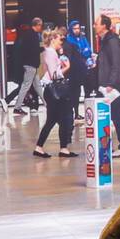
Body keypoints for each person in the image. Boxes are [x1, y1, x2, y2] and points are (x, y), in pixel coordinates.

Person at [33, 29, 76, 158]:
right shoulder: (51, 53)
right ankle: (59, 148)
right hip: (54, 90)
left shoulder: (51, 52)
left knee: (55, 120)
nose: (61, 43)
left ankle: (49, 148)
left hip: (51, 91)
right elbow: (54, 75)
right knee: (61, 119)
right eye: (60, 39)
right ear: (53, 39)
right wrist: (67, 68)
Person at [94, 15, 120, 157]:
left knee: (116, 115)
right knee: (114, 115)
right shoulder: (105, 41)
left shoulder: (111, 41)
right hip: (106, 85)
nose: (94, 25)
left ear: (104, 26)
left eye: (97, 23)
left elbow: (117, 63)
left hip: (112, 86)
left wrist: (111, 83)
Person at [6, 17, 43, 114]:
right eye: (40, 25)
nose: (41, 27)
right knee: (25, 86)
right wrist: (42, 49)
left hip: (30, 65)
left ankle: (48, 105)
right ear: (37, 25)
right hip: (31, 65)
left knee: (37, 86)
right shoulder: (33, 35)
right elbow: (33, 50)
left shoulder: (27, 35)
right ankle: (17, 107)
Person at [64, 19, 95, 119]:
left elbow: (88, 50)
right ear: (71, 29)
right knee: (75, 93)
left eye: (78, 28)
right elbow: (70, 56)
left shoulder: (83, 38)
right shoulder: (68, 41)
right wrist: (82, 53)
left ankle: (88, 112)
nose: (77, 30)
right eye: (74, 28)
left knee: (88, 91)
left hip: (85, 69)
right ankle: (76, 113)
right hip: (74, 71)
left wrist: (84, 53)